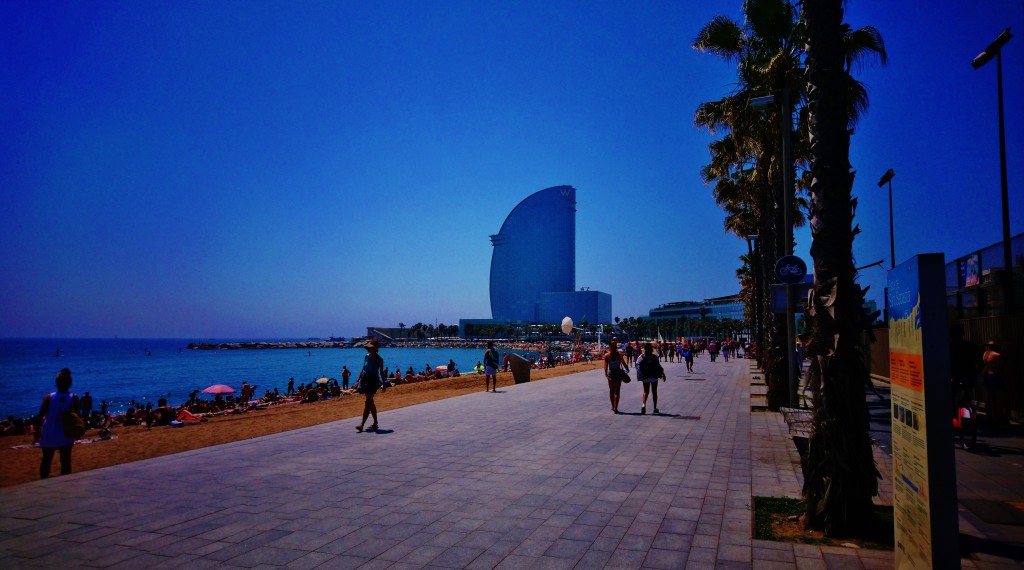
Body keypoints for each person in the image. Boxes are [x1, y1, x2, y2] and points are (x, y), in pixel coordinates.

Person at [38, 368, 79, 479]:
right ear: (70, 383)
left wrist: (37, 431)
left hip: (48, 432)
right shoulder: (73, 397)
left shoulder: (49, 397)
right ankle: (64, 485)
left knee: (46, 460)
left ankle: (43, 484)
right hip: (65, 433)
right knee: (65, 461)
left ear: (56, 383)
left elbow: (40, 416)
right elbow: (77, 416)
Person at [355, 338, 386, 432]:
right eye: (368, 348)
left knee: (367, 401)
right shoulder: (366, 356)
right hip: (365, 380)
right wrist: (357, 380)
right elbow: (363, 369)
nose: (368, 349)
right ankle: (375, 422)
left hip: (373, 380)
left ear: (374, 348)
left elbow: (381, 372)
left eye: (370, 348)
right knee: (370, 401)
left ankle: (362, 424)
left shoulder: (379, 359)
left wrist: (384, 384)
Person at [982, 340, 1008, 427]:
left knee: (989, 399)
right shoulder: (997, 356)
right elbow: (1001, 369)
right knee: (998, 399)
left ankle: (989, 417)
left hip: (988, 376)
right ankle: (999, 418)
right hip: (996, 377)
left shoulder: (985, 354)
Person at [637, 343, 666, 414]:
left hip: (645, 376)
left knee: (645, 391)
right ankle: (655, 408)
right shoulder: (654, 356)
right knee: (654, 392)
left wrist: (641, 375)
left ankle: (643, 404)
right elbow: (658, 365)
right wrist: (663, 374)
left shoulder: (641, 357)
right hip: (654, 375)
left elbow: (637, 366)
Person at [604, 339, 628, 414]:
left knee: (611, 391)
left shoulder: (607, 355)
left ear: (609, 347)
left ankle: (612, 406)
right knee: (617, 392)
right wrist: (627, 369)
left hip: (611, 372)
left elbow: (605, 366)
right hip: (618, 372)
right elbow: (623, 363)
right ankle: (616, 408)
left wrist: (606, 374)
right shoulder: (619, 354)